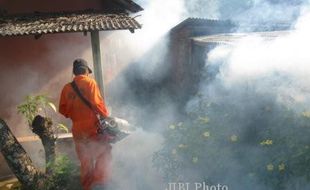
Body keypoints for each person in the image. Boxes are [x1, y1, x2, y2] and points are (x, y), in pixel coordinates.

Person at [59, 58, 111, 190]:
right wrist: (107, 117)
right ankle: (99, 184)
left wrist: (75, 114)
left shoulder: (66, 88)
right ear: (86, 71)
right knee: (102, 153)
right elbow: (97, 104)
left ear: (74, 72)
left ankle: (87, 187)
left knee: (85, 161)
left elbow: (62, 110)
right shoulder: (90, 83)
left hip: (77, 129)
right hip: (92, 128)